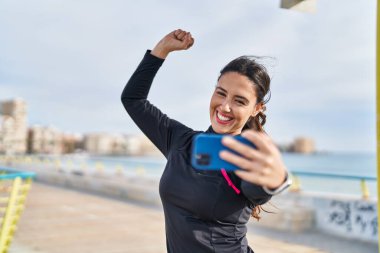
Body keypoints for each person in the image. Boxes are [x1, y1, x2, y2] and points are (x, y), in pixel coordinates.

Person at [121, 29, 291, 253]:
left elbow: (260, 187)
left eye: (239, 101)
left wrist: (277, 179)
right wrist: (161, 50)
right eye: (221, 93)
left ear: (256, 109)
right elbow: (133, 100)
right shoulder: (179, 140)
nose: (225, 107)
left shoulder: (245, 157)